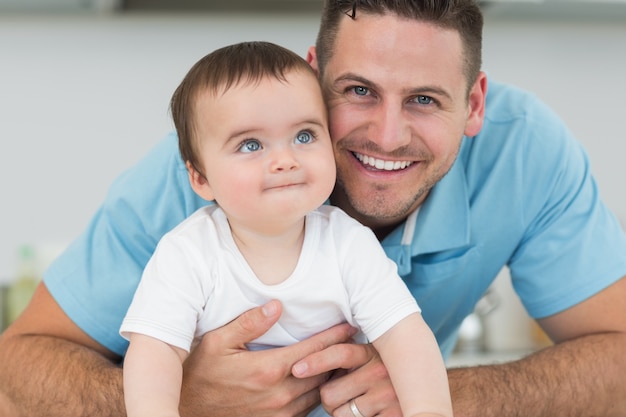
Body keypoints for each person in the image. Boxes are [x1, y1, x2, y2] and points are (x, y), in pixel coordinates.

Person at [1, 0, 625, 416]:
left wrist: (435, 395)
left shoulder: (526, 151)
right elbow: (17, 367)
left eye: (425, 100)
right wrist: (190, 399)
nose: (386, 135)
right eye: (358, 91)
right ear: (312, 73)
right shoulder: (201, 176)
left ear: (475, 104)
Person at [120, 40, 452, 417]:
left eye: (304, 136)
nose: (284, 160)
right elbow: (154, 352)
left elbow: (405, 335)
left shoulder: (347, 243)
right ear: (200, 178)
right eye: (250, 145)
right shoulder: (187, 253)